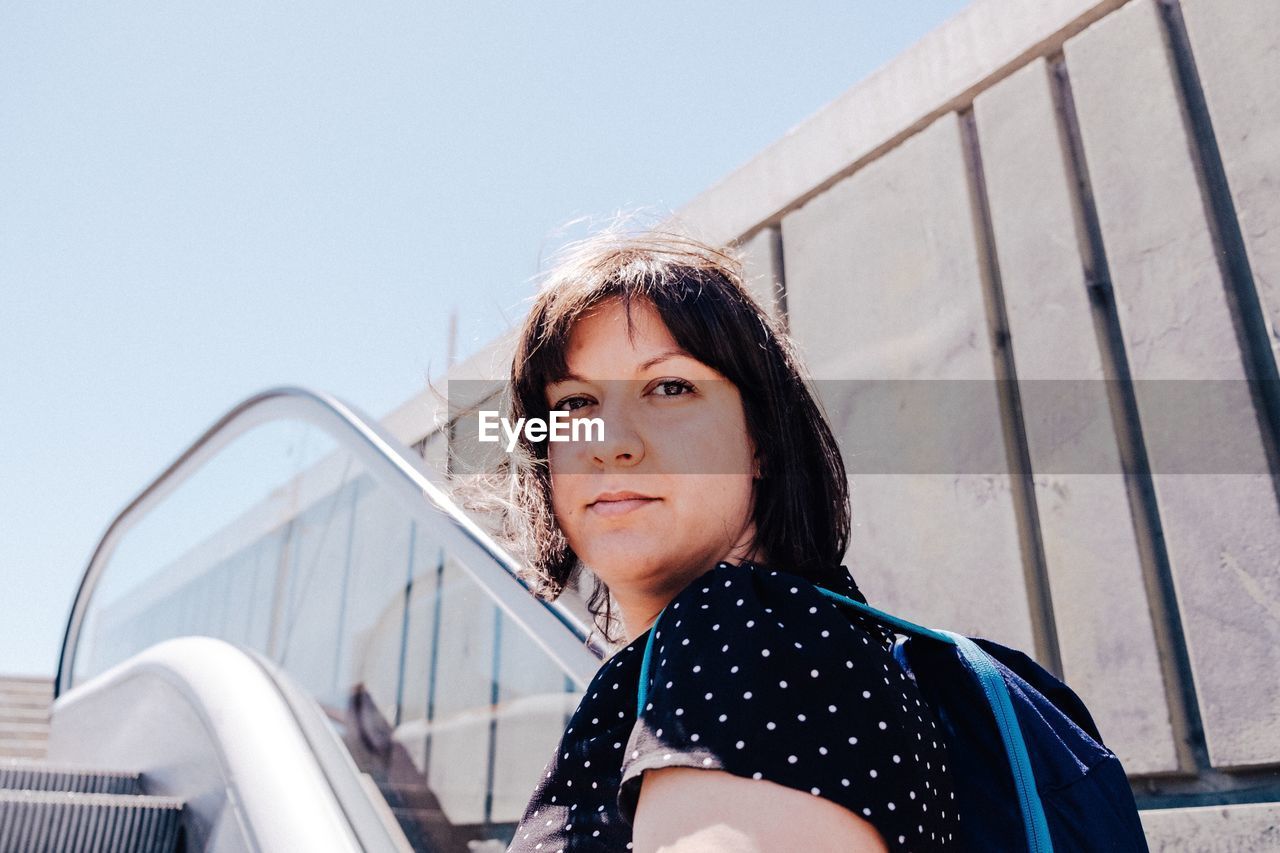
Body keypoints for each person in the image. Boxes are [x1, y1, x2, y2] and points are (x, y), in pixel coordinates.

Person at [493, 229, 960, 852]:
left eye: (669, 388)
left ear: (760, 439)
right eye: (576, 402)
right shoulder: (765, 638)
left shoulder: (743, 633)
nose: (607, 440)